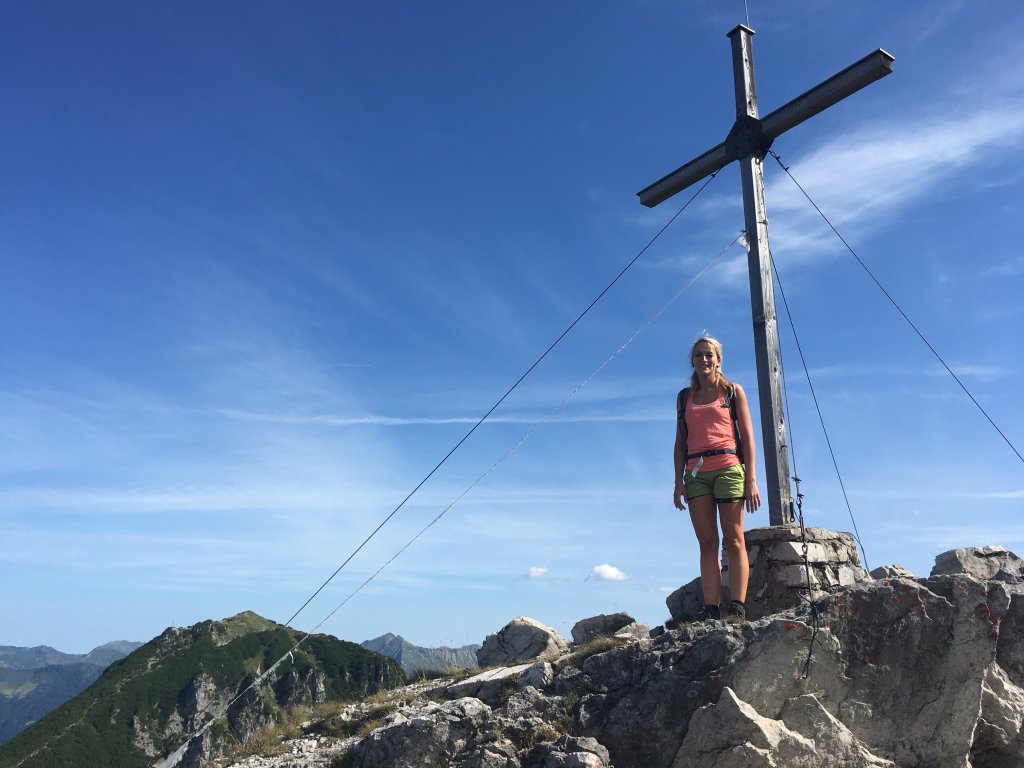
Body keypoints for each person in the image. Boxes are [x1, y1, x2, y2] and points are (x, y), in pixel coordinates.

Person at [673, 335, 761, 622]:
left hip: (729, 467)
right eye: (699, 355)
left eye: (709, 355)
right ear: (692, 361)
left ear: (718, 360)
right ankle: (711, 609)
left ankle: (737, 607)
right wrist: (678, 482)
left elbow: (748, 437)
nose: (704, 359)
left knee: (733, 540)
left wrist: (751, 479)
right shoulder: (684, 397)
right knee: (707, 543)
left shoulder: (732, 392)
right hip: (696, 474)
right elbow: (680, 442)